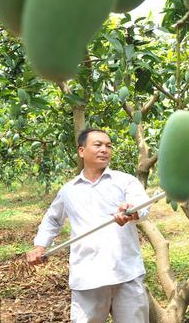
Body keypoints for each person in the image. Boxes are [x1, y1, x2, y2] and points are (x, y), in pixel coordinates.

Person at [27, 128, 151, 322]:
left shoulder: (125, 181)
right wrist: (40, 245)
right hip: (88, 276)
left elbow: (142, 208)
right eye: (98, 144)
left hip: (126, 271)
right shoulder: (69, 191)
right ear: (81, 151)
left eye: (108, 146)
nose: (105, 149)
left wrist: (130, 211)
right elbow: (52, 219)